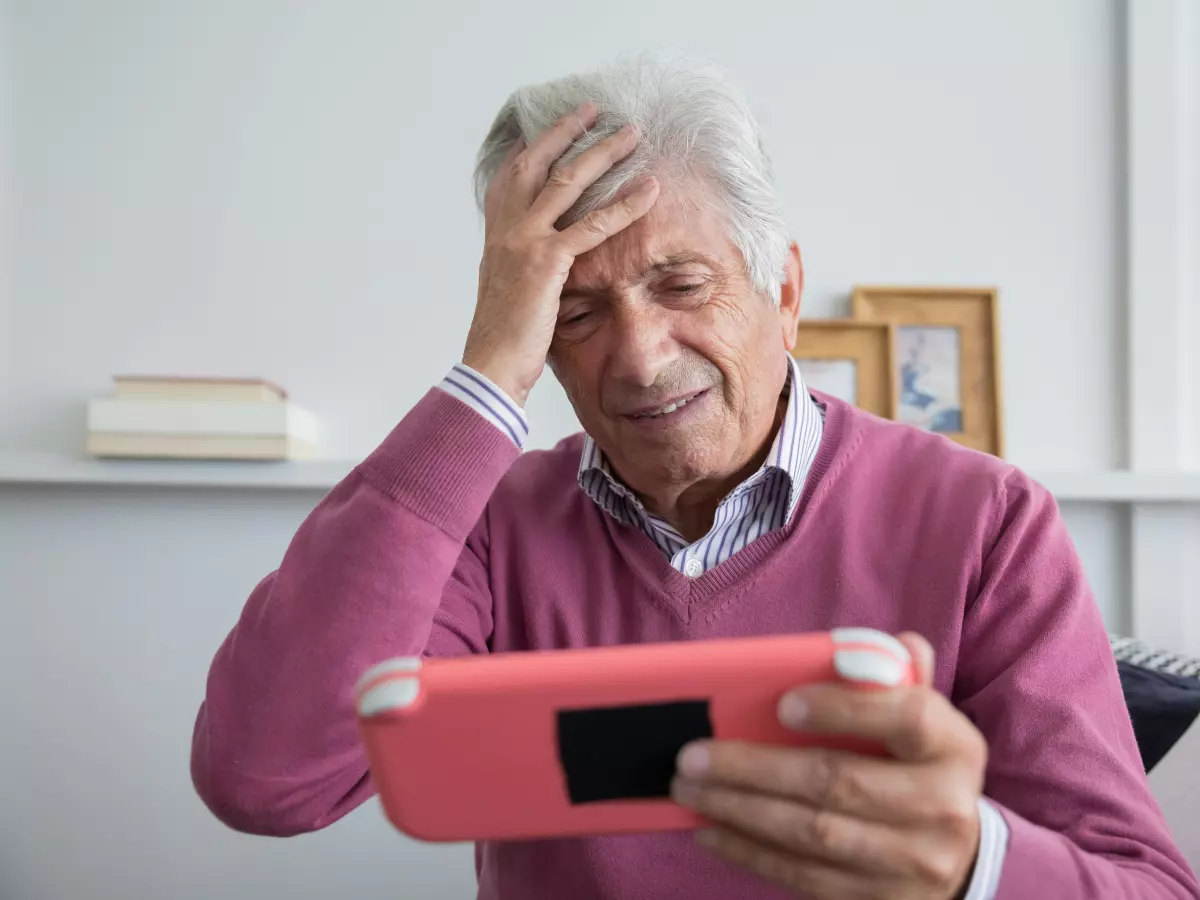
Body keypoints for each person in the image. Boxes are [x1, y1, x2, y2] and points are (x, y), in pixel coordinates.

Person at [191, 54, 1200, 900]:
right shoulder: (494, 532)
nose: (638, 357)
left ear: (786, 292)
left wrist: (973, 862)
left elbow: (1145, 885)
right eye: (574, 315)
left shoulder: (983, 519)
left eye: (682, 285)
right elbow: (263, 778)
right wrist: (487, 368)